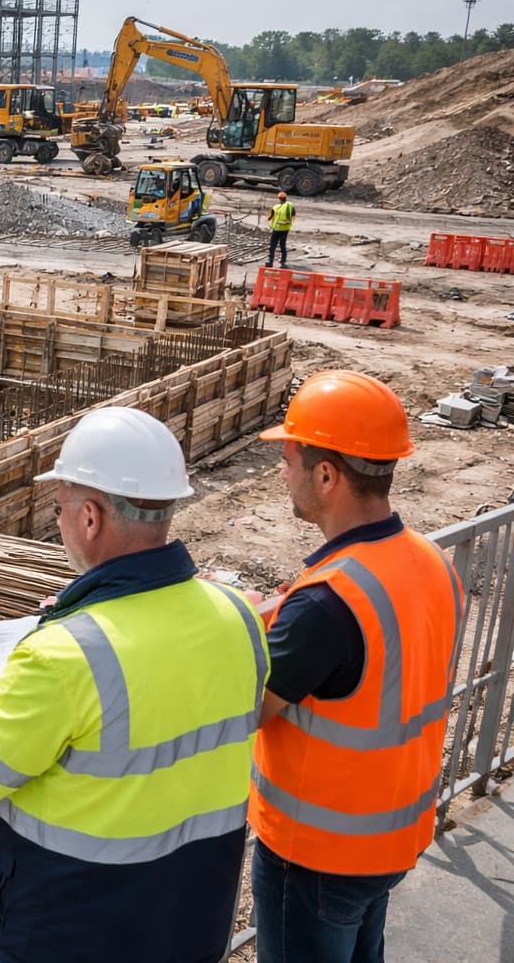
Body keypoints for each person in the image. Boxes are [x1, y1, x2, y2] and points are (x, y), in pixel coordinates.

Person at [0, 406, 268, 963]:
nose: (59, 520)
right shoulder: (238, 614)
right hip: (191, 926)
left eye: (60, 506)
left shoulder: (66, 656)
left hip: (72, 937)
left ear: (90, 517)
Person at [249, 370, 462, 963]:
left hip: (317, 857)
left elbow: (246, 708)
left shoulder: (327, 601)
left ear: (326, 474)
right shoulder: (430, 561)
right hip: (392, 839)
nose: (282, 474)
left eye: (289, 459)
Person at [265, 191, 295, 268]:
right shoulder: (291, 205)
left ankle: (270, 262)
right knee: (282, 246)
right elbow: (293, 215)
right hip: (285, 229)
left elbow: (269, 218)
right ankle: (283, 263)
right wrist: (289, 223)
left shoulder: (275, 207)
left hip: (276, 229)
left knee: (272, 246)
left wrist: (268, 215)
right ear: (285, 198)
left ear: (279, 199)